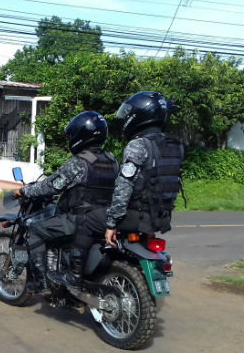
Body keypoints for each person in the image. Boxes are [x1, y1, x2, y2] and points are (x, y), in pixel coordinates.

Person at [65, 91, 183, 286]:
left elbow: (124, 186)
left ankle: (74, 276)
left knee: (87, 222)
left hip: (135, 214)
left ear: (139, 116)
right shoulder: (174, 145)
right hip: (160, 216)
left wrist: (112, 223)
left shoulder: (138, 145)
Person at [14, 111, 118, 294]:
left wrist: (25, 190)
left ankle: (41, 283)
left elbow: (52, 186)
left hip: (78, 220)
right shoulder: (112, 160)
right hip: (103, 219)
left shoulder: (79, 162)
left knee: (35, 229)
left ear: (80, 136)